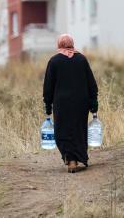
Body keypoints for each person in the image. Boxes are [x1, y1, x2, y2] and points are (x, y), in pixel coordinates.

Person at [43, 34, 99, 173]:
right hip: (81, 102)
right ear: (72, 44)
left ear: (59, 44)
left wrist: (47, 104)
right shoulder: (81, 59)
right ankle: (79, 157)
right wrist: (93, 102)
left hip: (62, 103)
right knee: (79, 129)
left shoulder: (54, 61)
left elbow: (48, 86)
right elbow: (91, 83)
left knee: (63, 131)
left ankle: (71, 160)